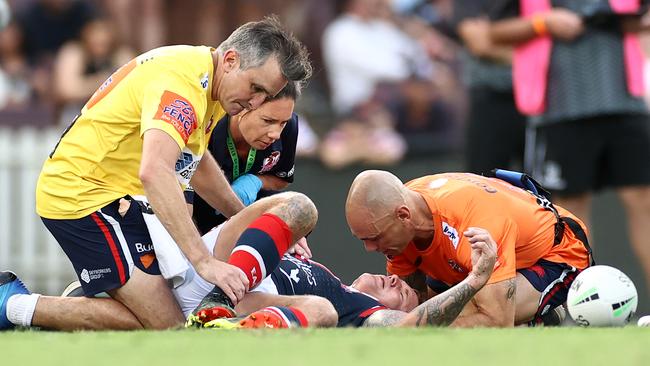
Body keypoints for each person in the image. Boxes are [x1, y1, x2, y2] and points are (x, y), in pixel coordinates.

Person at [0, 17, 312, 331]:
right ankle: (11, 305)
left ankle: (81, 302)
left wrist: (249, 219)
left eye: (265, 95)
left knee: (170, 317)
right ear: (231, 60)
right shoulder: (183, 85)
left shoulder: (210, 80)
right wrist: (205, 263)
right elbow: (155, 172)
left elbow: (194, 159)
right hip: (82, 195)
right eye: (255, 88)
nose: (255, 102)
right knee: (171, 326)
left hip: (119, 196)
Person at [489, 0, 650, 293]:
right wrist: (543, 23)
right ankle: (579, 303)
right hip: (559, 108)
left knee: (644, 202)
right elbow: (496, 30)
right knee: (571, 213)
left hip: (626, 103)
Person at [345, 170, 592, 327]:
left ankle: (542, 316)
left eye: (375, 238)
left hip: (554, 254)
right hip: (464, 262)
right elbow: (411, 302)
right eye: (362, 240)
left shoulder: (473, 221)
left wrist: (405, 329)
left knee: (486, 316)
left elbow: (497, 320)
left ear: (403, 216)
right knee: (415, 305)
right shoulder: (400, 216)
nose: (369, 248)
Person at [190, 81, 301, 235]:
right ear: (243, 107)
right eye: (268, 121)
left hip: (248, 211)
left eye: (282, 123)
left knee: (295, 217)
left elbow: (281, 178)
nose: (276, 134)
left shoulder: (289, 126)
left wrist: (254, 181)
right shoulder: (209, 124)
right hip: (195, 212)